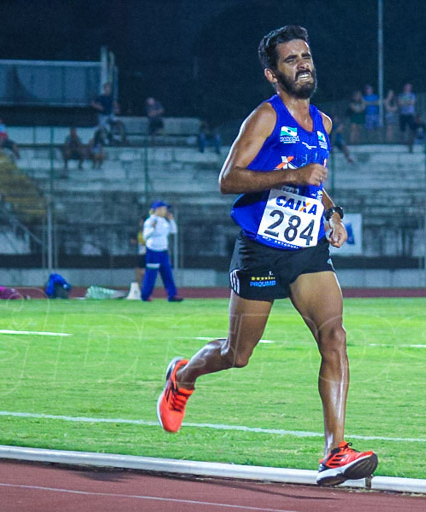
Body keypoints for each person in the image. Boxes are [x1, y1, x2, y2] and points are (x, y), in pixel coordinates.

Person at [156, 25, 377, 487]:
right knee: (238, 355)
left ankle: (334, 450)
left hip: (306, 250)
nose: (303, 64)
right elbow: (228, 179)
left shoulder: (324, 123)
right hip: (260, 248)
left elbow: (315, 184)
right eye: (291, 59)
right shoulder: (265, 118)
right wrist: (293, 175)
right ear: (273, 74)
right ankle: (184, 374)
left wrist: (334, 213)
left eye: (306, 55)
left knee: (334, 336)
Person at [140, 200, 182, 302]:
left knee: (167, 274)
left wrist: (171, 220)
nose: (166, 211)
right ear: (158, 210)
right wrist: (153, 228)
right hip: (153, 251)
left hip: (163, 251)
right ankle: (145, 295)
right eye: (164, 208)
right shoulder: (150, 221)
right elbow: (145, 236)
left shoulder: (164, 221)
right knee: (151, 275)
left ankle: (172, 295)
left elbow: (174, 231)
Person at [398, 83, 417, 149]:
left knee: (411, 128)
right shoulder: (401, 95)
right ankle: (402, 141)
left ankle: (410, 141)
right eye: (406, 87)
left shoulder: (412, 95)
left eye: (408, 87)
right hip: (403, 114)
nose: (407, 88)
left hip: (410, 114)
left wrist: (405, 102)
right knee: (402, 129)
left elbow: (412, 103)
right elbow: (400, 103)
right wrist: (407, 102)